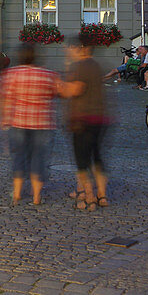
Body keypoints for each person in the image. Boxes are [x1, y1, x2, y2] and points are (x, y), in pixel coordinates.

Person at [0, 44, 59, 205]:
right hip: (42, 123)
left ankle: (18, 193)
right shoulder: (48, 74)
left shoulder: (10, 74)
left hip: (17, 121)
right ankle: (36, 196)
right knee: (39, 158)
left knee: (18, 156)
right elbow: (57, 92)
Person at [58, 40, 110, 211]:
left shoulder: (81, 66)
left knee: (82, 160)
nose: (70, 51)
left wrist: (61, 87)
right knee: (96, 158)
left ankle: (89, 196)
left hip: (83, 118)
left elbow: (75, 90)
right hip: (100, 117)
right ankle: (101, 195)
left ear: (82, 49)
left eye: (72, 48)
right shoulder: (96, 65)